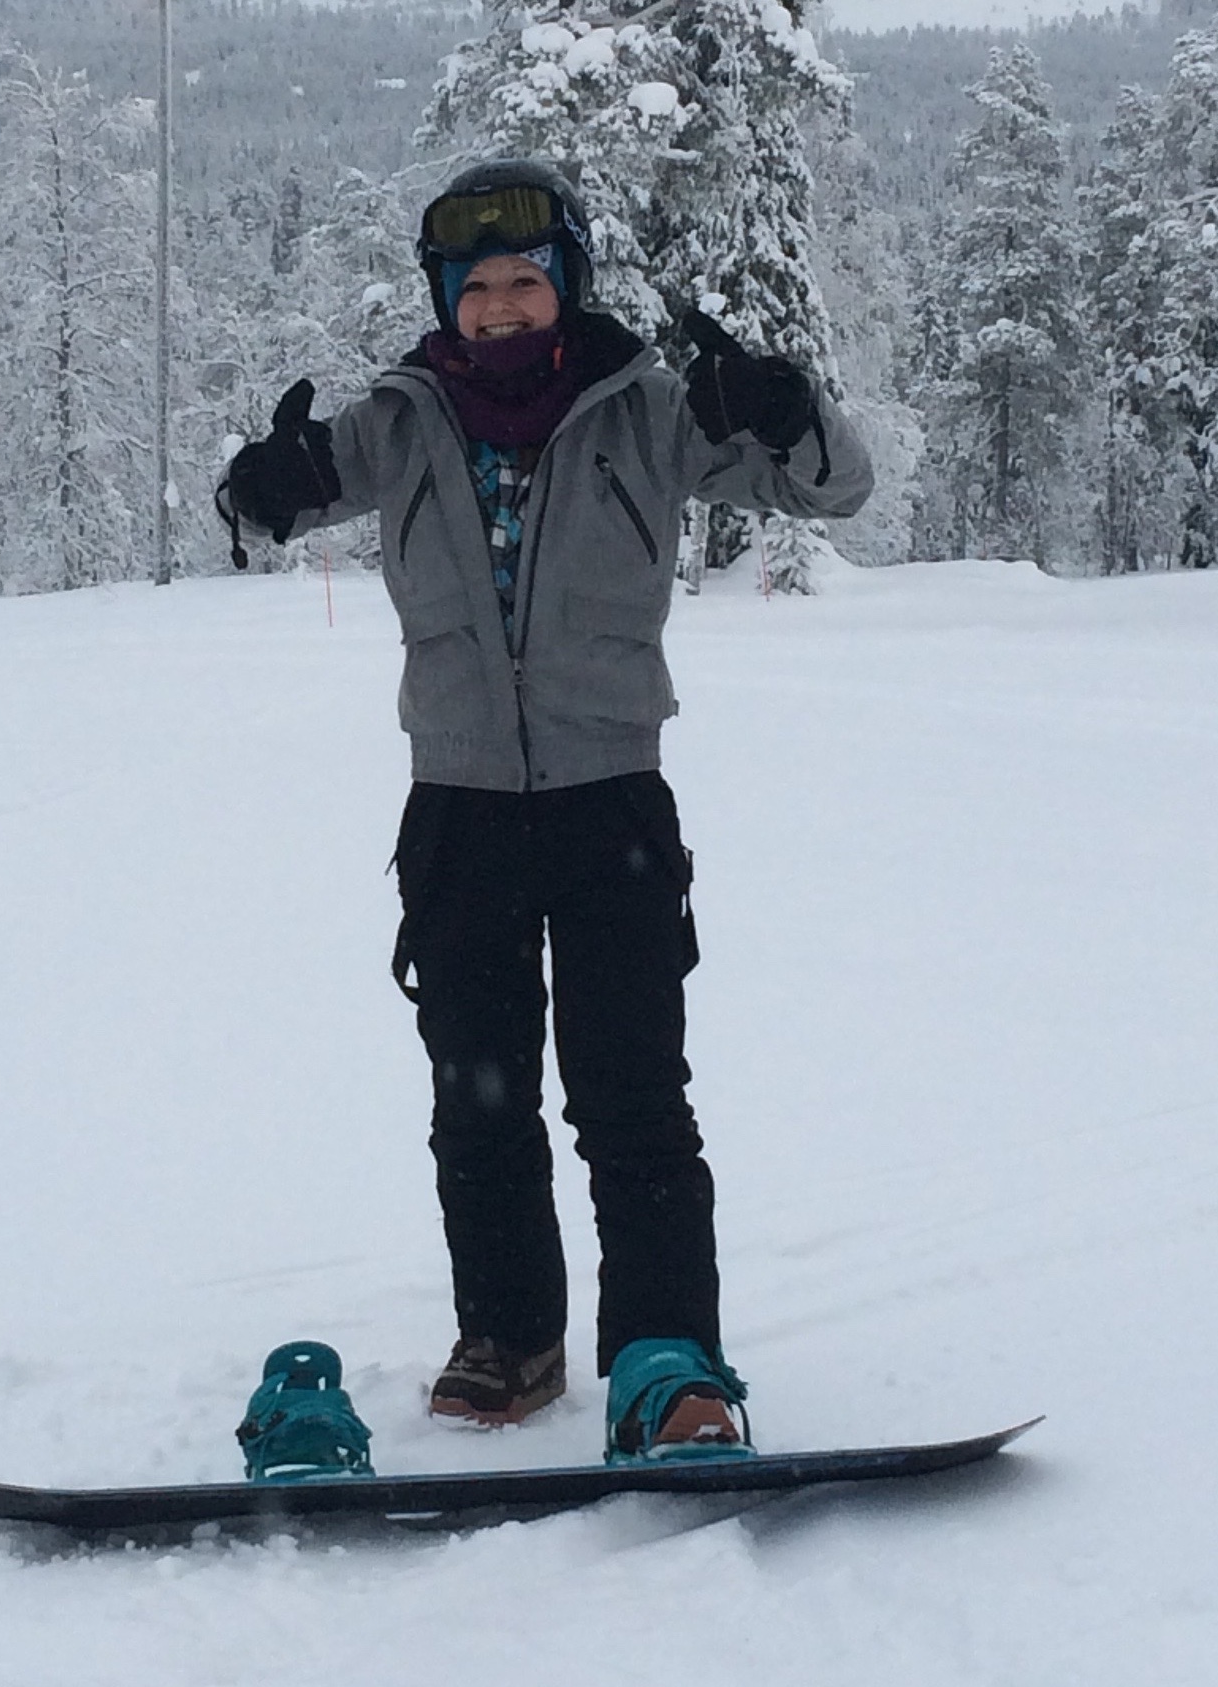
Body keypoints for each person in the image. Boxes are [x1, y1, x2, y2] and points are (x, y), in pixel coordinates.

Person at [220, 159, 873, 1463]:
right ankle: (509, 1341)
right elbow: (252, 525)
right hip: (457, 812)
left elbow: (828, 489)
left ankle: (666, 1365)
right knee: (479, 1098)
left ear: (564, 286)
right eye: (479, 291)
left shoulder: (647, 410)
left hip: (609, 806)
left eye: (526, 282)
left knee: (633, 1094)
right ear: (446, 302)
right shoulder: (400, 422)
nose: (502, 309)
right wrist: (262, 484)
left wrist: (790, 410)